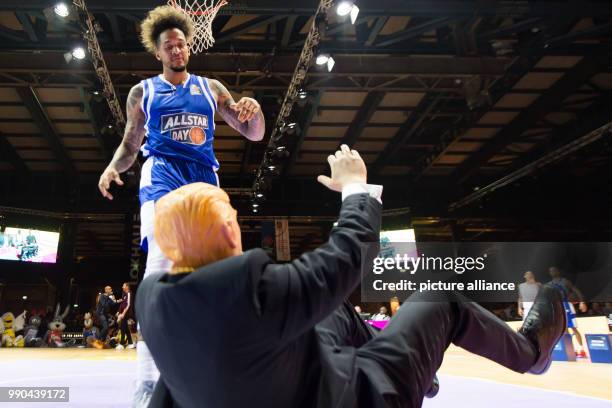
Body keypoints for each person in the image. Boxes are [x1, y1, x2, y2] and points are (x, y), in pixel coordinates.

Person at [137, 146, 566, 408]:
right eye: (233, 214)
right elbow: (346, 255)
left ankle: (417, 362)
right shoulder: (254, 291)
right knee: (440, 298)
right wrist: (355, 187)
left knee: (332, 313)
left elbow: (172, 388)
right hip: (357, 400)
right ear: (231, 229)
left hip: (276, 386)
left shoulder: (154, 303)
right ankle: (531, 353)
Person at [96, 5, 264, 404]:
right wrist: (110, 168)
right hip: (162, 180)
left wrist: (254, 112)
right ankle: (147, 380)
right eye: (169, 46)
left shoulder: (212, 88)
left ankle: (221, 367)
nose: (177, 50)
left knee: (221, 272)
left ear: (189, 47)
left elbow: (253, 134)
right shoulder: (144, 92)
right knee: (159, 267)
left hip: (204, 180)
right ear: (158, 52)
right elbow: (131, 143)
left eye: (182, 44)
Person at [548, 266, 588, 358]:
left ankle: (582, 350)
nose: (552, 272)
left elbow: (576, 291)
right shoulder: (550, 284)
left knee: (573, 328)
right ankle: (570, 351)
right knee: (564, 331)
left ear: (558, 271)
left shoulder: (565, 281)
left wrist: (582, 302)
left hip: (567, 307)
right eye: (551, 271)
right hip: (558, 308)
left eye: (554, 270)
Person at [115, 283, 135, 350]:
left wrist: (123, 313)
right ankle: (130, 343)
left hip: (127, 313)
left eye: (123, 285)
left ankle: (121, 344)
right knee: (125, 328)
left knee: (123, 327)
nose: (122, 287)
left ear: (127, 286)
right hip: (123, 313)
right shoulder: (124, 294)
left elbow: (128, 304)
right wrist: (118, 311)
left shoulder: (129, 293)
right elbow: (122, 304)